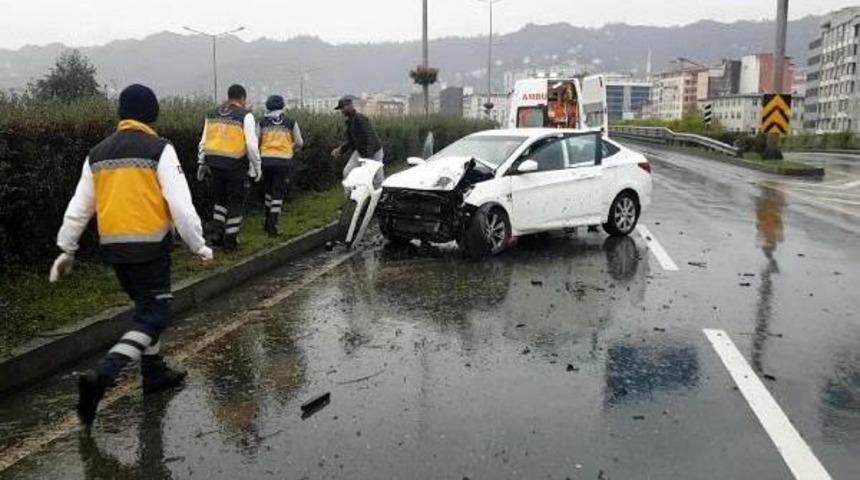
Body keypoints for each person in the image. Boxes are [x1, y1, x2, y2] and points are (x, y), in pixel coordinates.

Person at [50, 84, 213, 427]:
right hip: (150, 249)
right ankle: (102, 376)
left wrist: (67, 248)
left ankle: (154, 373)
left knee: (145, 308)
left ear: (121, 114)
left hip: (115, 252)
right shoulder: (159, 149)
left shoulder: (97, 153)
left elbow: (80, 207)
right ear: (153, 115)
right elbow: (181, 205)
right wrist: (198, 245)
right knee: (154, 315)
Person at [197, 84, 262, 251]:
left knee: (220, 201)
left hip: (214, 164)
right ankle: (231, 241)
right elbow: (251, 145)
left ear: (228, 97)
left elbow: (203, 141)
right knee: (236, 202)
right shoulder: (245, 116)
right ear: (242, 98)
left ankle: (217, 235)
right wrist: (257, 167)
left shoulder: (212, 114)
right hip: (235, 165)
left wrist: (201, 162)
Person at [258, 95, 304, 236]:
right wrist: (291, 148)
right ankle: (273, 225)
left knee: (268, 192)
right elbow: (300, 142)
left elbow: (255, 141)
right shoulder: (290, 122)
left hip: (265, 160)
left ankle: (267, 222)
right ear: (282, 106)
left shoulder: (262, 122)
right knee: (278, 193)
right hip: (283, 161)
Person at [331, 96, 383, 179]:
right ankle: (351, 192)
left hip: (374, 151)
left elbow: (370, 137)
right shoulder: (349, 122)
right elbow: (350, 141)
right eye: (340, 109)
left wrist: (369, 157)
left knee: (377, 177)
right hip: (360, 151)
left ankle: (380, 191)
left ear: (350, 106)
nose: (342, 111)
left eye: (342, 108)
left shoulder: (360, 118)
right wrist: (340, 149)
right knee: (347, 172)